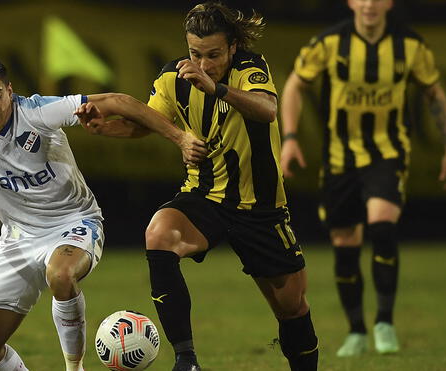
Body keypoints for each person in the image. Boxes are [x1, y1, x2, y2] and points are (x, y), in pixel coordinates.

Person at [0, 56, 203, 371]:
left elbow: (119, 101)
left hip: (75, 222)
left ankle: (75, 367)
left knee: (61, 274)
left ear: (9, 91)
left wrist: (180, 138)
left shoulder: (36, 111)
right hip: (18, 238)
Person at [75, 2, 319, 370]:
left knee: (292, 307)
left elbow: (267, 109)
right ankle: (186, 361)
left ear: (232, 47)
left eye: (214, 55)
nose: (203, 64)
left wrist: (217, 88)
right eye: (195, 54)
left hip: (260, 206)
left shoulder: (250, 68)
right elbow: (149, 123)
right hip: (205, 196)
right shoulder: (173, 78)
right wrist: (106, 127)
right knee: (159, 233)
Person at [280, 0, 446, 357]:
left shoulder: (410, 46)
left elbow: (434, 92)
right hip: (339, 160)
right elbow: (295, 85)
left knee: (381, 226)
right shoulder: (329, 43)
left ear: (389, 3)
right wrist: (290, 139)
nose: (370, 4)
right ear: (352, 2)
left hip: (387, 154)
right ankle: (357, 330)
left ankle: (385, 322)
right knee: (345, 246)